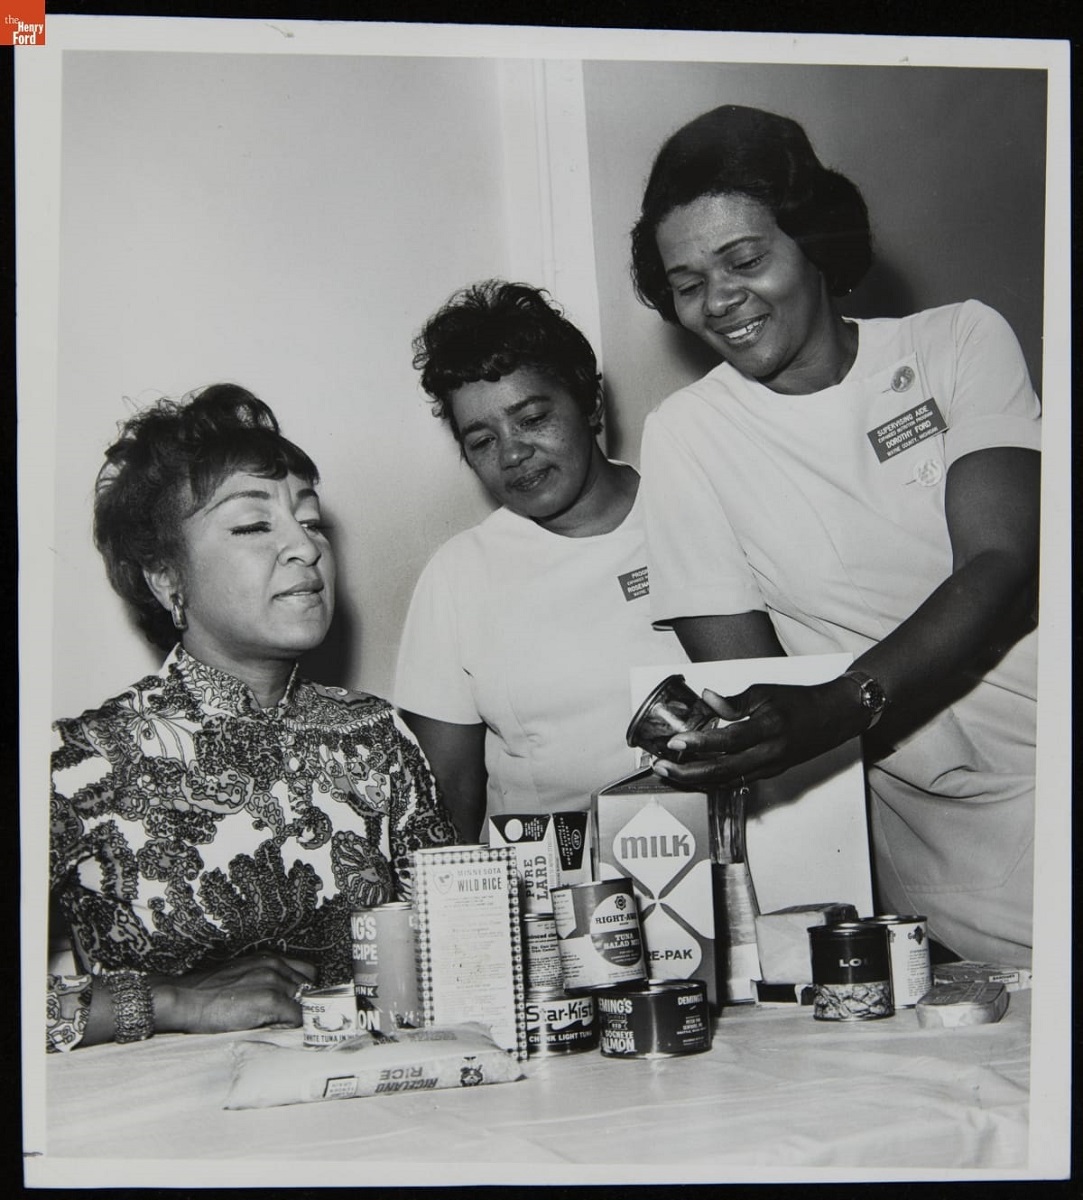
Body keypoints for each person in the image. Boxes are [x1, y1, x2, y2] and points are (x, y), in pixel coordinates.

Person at [630, 105, 1040, 967]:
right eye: (686, 280)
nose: (719, 301)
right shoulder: (686, 435)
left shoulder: (958, 340)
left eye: (744, 259)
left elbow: (1002, 561)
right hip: (949, 851)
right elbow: (748, 697)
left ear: (812, 240)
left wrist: (837, 703)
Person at [47, 384, 457, 1052]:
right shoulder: (80, 761)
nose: (305, 547)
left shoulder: (377, 736)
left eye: (311, 520)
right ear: (164, 579)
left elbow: (458, 952)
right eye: (252, 525)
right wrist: (174, 1001)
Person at [393, 281, 685, 840]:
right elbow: (444, 794)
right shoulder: (460, 574)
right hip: (550, 899)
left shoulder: (692, 516)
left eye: (531, 418)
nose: (512, 453)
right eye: (481, 440)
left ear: (591, 402)